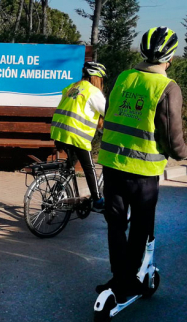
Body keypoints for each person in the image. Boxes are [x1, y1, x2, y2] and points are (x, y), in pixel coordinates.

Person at [96, 26, 187, 301]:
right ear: (170, 59)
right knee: (140, 226)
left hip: (112, 165)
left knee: (115, 223)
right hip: (143, 172)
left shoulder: (124, 77)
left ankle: (118, 276)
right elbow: (172, 135)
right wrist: (183, 154)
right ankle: (130, 280)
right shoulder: (167, 87)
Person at [50, 61, 108, 211]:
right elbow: (109, 114)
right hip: (77, 136)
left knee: (70, 165)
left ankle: (56, 195)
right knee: (89, 167)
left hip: (59, 133)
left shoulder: (72, 87)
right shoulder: (93, 92)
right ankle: (97, 200)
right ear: (97, 78)